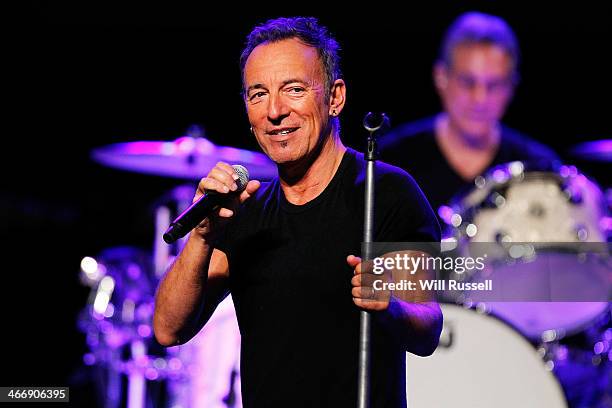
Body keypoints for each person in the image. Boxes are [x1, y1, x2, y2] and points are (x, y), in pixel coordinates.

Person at [153, 16, 442, 408]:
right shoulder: (245, 211)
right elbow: (169, 329)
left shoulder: (387, 191)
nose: (274, 111)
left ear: (335, 97)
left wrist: (389, 306)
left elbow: (428, 328)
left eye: (293, 89)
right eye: (258, 94)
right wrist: (201, 235)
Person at [379, 11, 559, 220]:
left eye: (494, 85)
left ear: (511, 87)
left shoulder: (538, 169)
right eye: (467, 82)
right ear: (441, 78)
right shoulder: (393, 160)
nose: (480, 99)